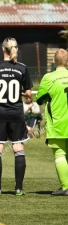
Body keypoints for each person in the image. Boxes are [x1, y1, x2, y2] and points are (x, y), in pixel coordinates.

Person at [0, 38, 32, 196]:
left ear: (3, 49)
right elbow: (28, 94)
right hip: (16, 114)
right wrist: (23, 94)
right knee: (18, 148)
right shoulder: (22, 68)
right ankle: (18, 188)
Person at [35, 49, 68, 195]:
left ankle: (66, 187)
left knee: (59, 154)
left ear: (54, 61)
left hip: (58, 122)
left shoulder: (48, 77)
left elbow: (39, 99)